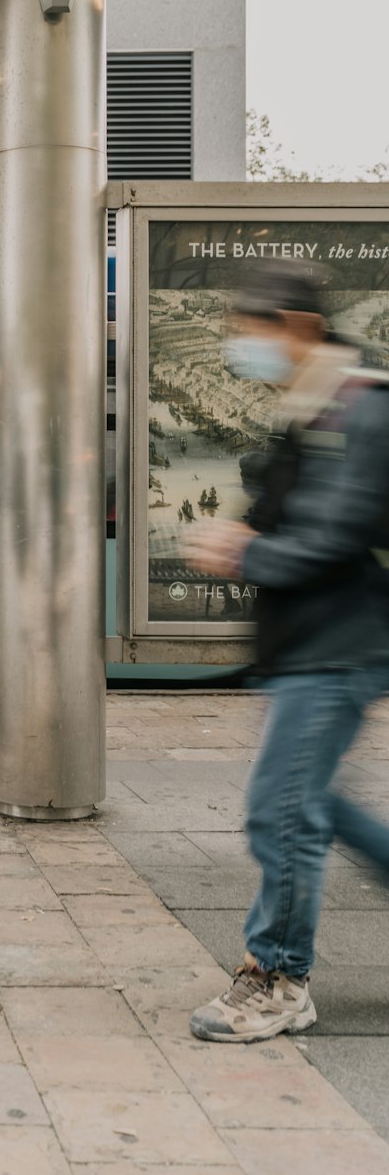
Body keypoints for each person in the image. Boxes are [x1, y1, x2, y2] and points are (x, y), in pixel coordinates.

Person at [187, 261, 389, 1043]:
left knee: (281, 811)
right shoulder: (311, 408)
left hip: (337, 647)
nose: (243, 348)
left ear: (298, 329)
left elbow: (337, 533)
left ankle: (279, 978)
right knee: (313, 802)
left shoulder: (359, 410)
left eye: (251, 331)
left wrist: (246, 552)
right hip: (310, 645)